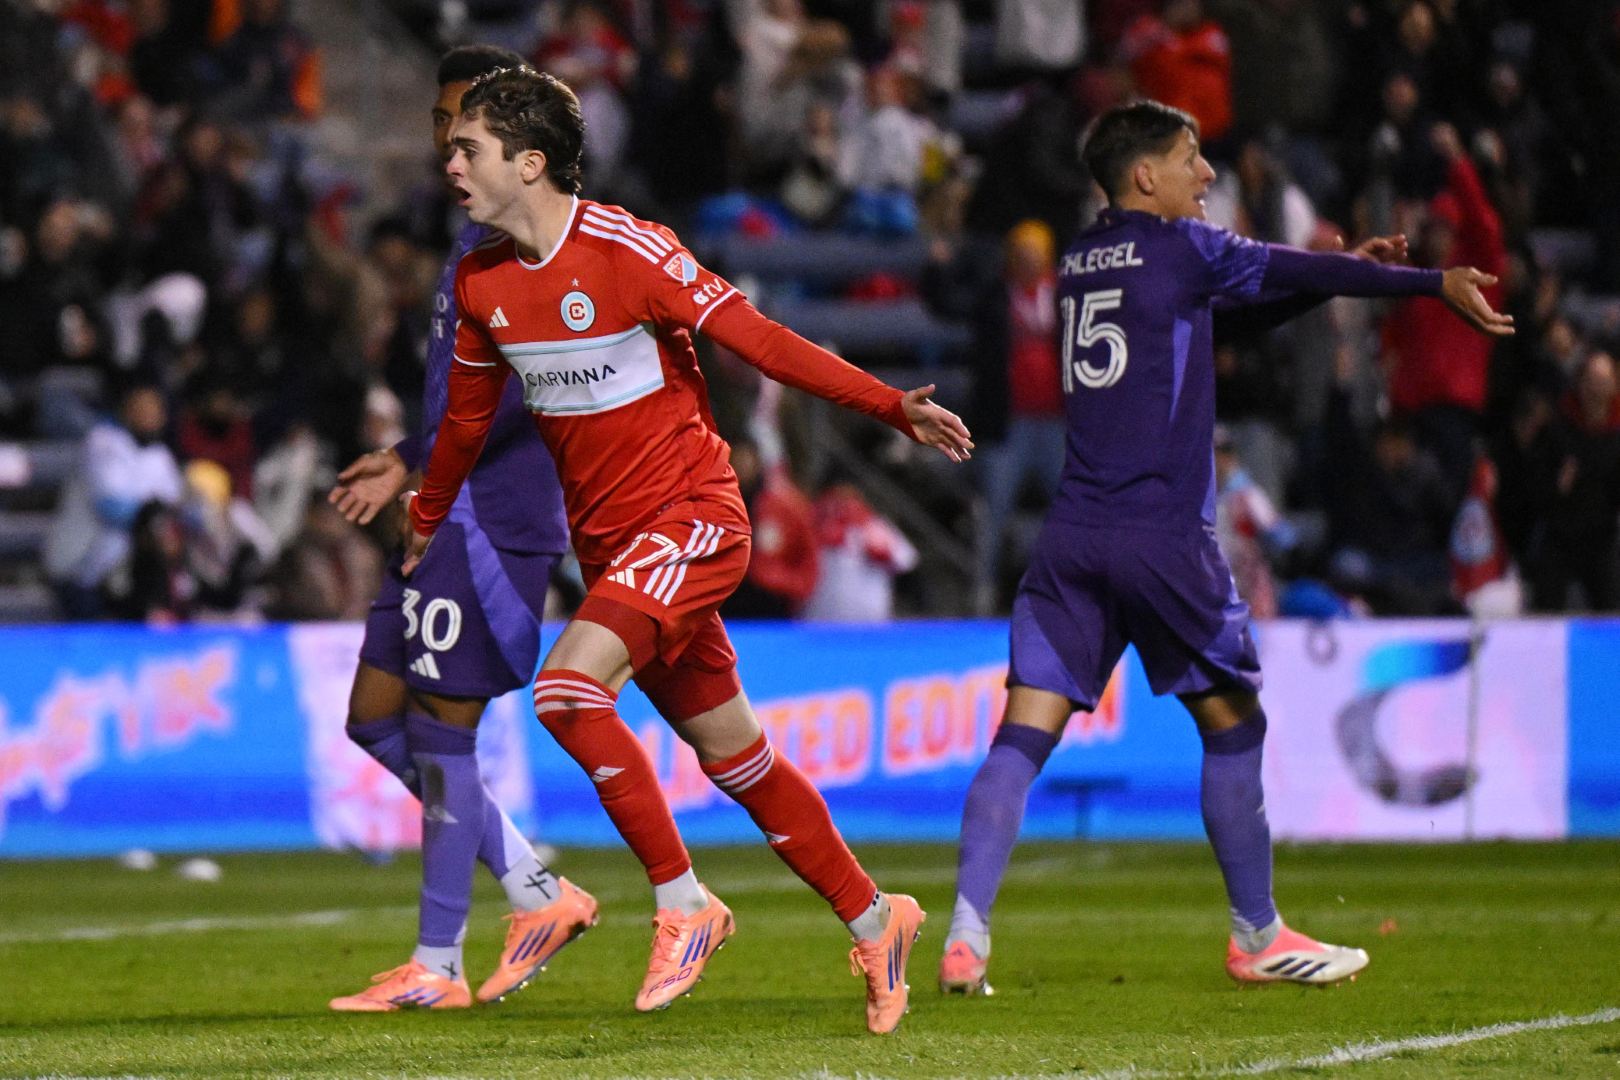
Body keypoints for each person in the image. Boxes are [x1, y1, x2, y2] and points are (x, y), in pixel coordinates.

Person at [406, 66, 972, 1033]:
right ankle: (879, 918)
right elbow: (463, 422)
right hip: (612, 549)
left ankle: (682, 902)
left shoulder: (629, 250)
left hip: (694, 517)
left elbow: (759, 339)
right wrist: (426, 514)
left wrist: (888, 404)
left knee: (567, 692)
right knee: (733, 756)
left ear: (530, 161)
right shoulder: (482, 280)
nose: (449, 159)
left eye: (469, 146)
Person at [938, 100, 1511, 996]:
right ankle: (1256, 933)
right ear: (1145, 177)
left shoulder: (1083, 263)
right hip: (1162, 538)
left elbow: (1212, 321)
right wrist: (1430, 284)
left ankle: (966, 933)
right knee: (1235, 723)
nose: (1207, 175)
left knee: (1019, 737)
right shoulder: (1183, 250)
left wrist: (1331, 278)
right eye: (1191, 158)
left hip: (1073, 538)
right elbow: (1275, 264)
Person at [323, 46, 593, 1015]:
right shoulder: (473, 240)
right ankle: (535, 887)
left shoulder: (525, 241)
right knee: (373, 716)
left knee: (442, 733)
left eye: (461, 120)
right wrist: (408, 454)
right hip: (443, 501)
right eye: (441, 119)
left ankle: (437, 963)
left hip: (492, 519)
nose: (444, 139)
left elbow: (520, 391)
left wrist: (412, 462)